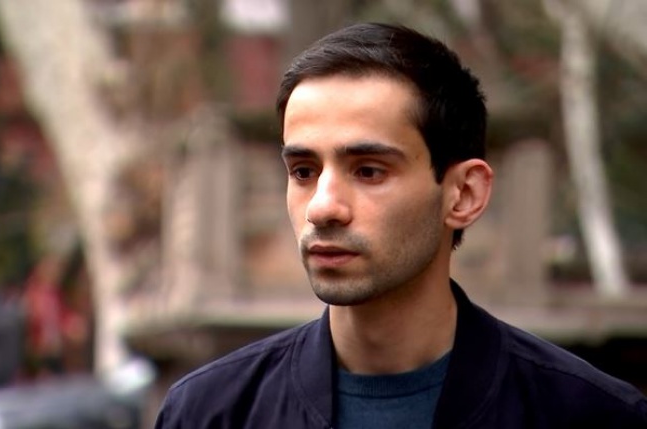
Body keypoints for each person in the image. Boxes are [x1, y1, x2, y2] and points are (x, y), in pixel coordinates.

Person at [154, 23, 647, 428]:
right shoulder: (210, 412)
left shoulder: (589, 414)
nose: (322, 207)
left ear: (464, 194)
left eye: (369, 171)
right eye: (303, 172)